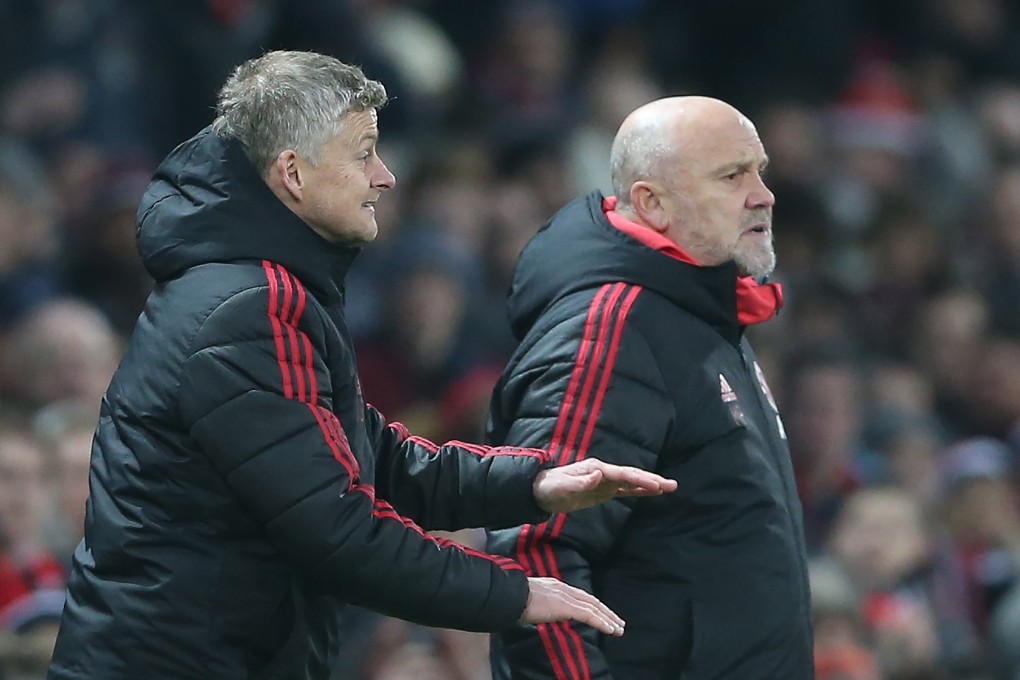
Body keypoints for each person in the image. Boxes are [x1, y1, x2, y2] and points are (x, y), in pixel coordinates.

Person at [45, 50, 678, 680]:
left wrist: (533, 483)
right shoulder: (248, 305)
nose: (385, 176)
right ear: (293, 174)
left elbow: (369, 457)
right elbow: (337, 530)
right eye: (363, 152)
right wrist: (513, 593)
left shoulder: (263, 286)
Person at [486, 96, 814, 679]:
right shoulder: (613, 330)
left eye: (759, 169)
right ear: (652, 203)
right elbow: (537, 553)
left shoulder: (702, 318)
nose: (763, 193)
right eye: (732, 175)